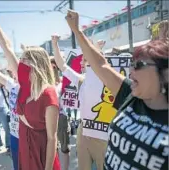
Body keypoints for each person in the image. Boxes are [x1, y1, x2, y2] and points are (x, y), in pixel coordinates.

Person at [66, 10, 168, 170]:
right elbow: (101, 64)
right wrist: (77, 31)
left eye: (139, 65)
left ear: (163, 73)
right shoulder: (130, 94)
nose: (130, 70)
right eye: (132, 63)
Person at [0, 2, 60, 170]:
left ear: (36, 64)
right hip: (24, 149)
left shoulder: (48, 93)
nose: (20, 63)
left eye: (24, 59)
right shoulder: (25, 84)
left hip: (41, 155)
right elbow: (6, 48)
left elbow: (52, 138)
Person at [52, 35, 108, 170]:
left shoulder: (110, 81)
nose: (81, 63)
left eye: (85, 60)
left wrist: (97, 49)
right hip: (84, 131)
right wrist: (55, 44)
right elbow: (62, 64)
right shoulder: (80, 80)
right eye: (82, 60)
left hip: (103, 133)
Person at [50, 56, 71, 170]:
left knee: (64, 146)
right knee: (52, 146)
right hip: (48, 118)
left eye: (53, 66)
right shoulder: (44, 82)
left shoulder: (63, 82)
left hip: (61, 117)